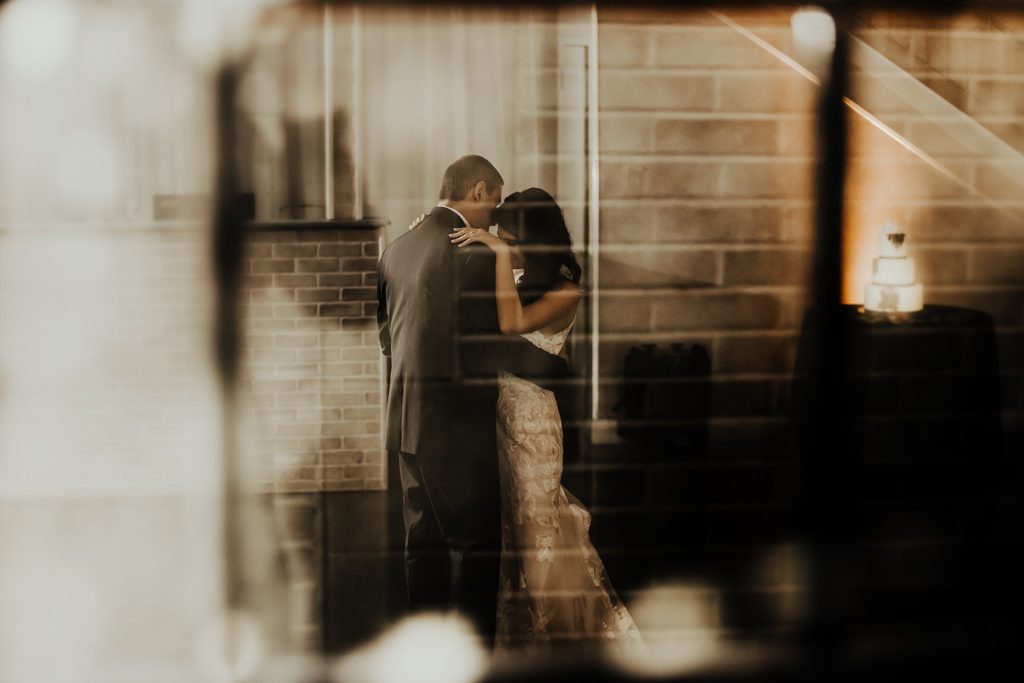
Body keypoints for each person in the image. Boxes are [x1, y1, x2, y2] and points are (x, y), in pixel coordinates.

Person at [376, 156, 568, 647]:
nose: (496, 216)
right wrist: (558, 369)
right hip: (457, 429)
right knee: (475, 550)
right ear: (479, 191)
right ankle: (471, 659)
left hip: (405, 423)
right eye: (496, 201)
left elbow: (387, 340)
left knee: (422, 547)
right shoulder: (473, 254)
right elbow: (489, 340)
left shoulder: (396, 249)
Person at [451, 188, 642, 653]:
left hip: (534, 423)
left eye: (511, 239)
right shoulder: (521, 275)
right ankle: (518, 638)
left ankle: (559, 637)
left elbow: (511, 322)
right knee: (510, 531)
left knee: (538, 526)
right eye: (502, 238)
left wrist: (494, 251)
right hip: (499, 417)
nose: (505, 245)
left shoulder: (566, 289)